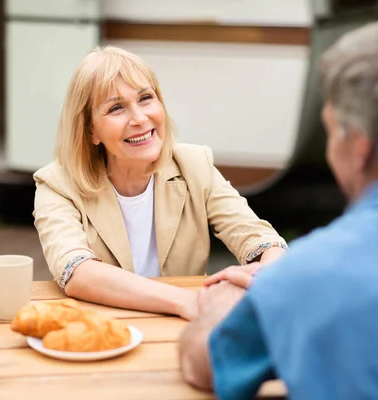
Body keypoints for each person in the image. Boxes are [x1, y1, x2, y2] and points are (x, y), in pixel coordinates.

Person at [179, 19, 378, 399]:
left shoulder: (306, 277)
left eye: (330, 131)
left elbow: (202, 364)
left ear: (360, 147)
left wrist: (220, 308)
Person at [32, 46, 287, 321]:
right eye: (116, 108)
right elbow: (75, 271)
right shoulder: (56, 185)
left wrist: (263, 271)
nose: (140, 118)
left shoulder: (195, 164)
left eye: (146, 98)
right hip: (103, 328)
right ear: (91, 130)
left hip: (184, 329)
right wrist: (187, 301)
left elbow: (263, 241)